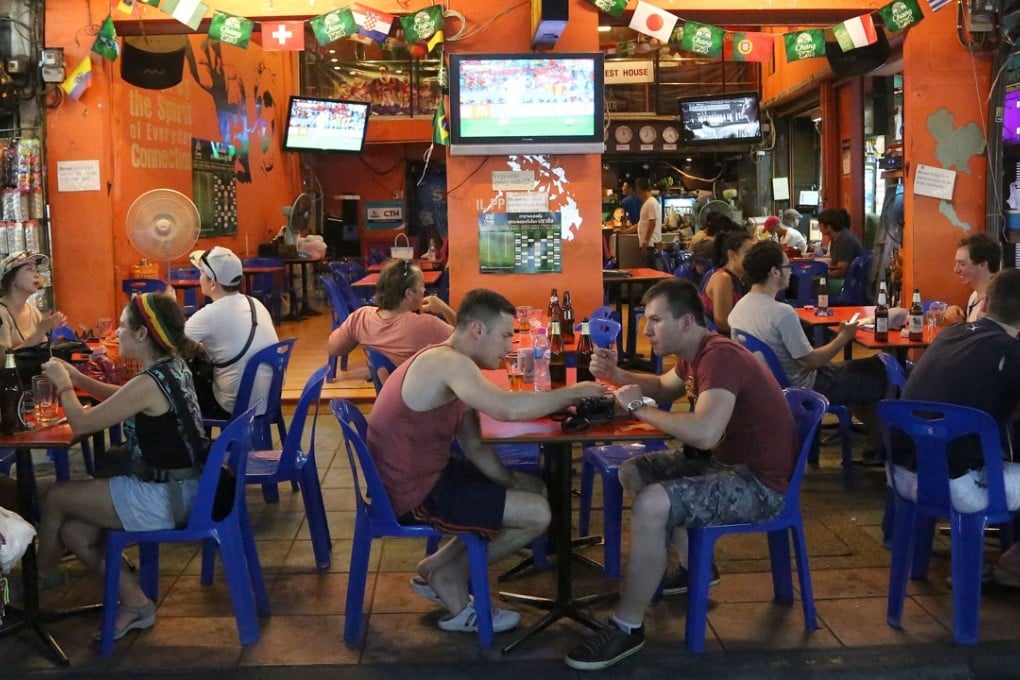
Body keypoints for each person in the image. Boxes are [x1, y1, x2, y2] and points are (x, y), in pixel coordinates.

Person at [564, 279, 798, 671]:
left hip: (759, 485)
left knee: (654, 503)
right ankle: (693, 570)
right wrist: (619, 375)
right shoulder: (696, 352)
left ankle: (627, 626)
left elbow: (705, 432)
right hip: (725, 463)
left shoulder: (720, 358)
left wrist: (636, 405)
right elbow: (665, 388)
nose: (645, 330)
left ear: (687, 321)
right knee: (634, 472)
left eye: (655, 320)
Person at [367, 289, 605, 634]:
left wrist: (511, 482)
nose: (509, 346)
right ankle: (451, 580)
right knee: (538, 513)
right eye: (506, 335)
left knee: (535, 488)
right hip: (412, 492)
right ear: (477, 330)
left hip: (423, 474)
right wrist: (572, 393)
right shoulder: (448, 362)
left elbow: (475, 446)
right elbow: (505, 409)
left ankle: (434, 567)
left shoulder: (451, 363)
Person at [35, 293, 208, 640]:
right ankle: (136, 603)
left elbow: (82, 425)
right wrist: (80, 380)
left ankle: (43, 577)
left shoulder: (149, 381)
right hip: (186, 487)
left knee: (55, 497)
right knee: (74, 531)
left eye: (125, 327)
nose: (118, 335)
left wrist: (64, 383)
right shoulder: (172, 366)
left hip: (165, 497)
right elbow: (123, 395)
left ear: (143, 335)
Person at [891, 268, 1020, 587]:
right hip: (958, 485)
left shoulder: (950, 334)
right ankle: (1012, 564)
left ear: (986, 303)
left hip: (901, 474)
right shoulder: (1011, 351)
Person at [728, 241, 888, 443]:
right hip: (805, 386)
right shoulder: (781, 313)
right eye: (787, 267)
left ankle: (876, 442)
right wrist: (843, 337)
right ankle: (890, 448)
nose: (791, 272)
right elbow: (811, 362)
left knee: (859, 374)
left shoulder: (738, 309)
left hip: (770, 386)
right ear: (774, 272)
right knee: (880, 370)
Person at [184, 246, 278, 419]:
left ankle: (200, 444)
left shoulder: (210, 314)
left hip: (237, 405)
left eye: (202, 273)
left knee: (188, 382)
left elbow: (172, 343)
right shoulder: (255, 303)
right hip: (269, 399)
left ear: (212, 282)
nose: (200, 278)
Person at [327, 259, 456, 367]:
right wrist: (445, 309)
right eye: (422, 285)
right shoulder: (425, 325)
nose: (424, 290)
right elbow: (469, 344)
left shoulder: (361, 317)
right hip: (415, 395)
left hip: (383, 393)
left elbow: (334, 348)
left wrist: (358, 333)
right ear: (409, 293)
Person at [0, 251, 67, 352]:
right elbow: (3, 361)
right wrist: (40, 331)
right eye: (29, 269)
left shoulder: (33, 311)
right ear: (12, 279)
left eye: (37, 270)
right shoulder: (2, 313)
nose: (36, 275)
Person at [700, 228, 752, 335]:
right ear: (732, 255)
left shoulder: (743, 277)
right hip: (721, 342)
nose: (754, 258)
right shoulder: (723, 278)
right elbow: (722, 323)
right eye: (748, 253)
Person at [944, 232, 1001, 324]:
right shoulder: (974, 296)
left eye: (962, 264)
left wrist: (959, 326)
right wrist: (959, 319)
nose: (956, 269)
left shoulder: (997, 303)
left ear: (982, 264)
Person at [816, 208, 864, 282]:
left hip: (849, 282)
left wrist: (819, 277)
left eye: (820, 225)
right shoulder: (836, 238)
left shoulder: (845, 240)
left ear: (829, 227)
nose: (819, 228)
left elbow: (842, 271)